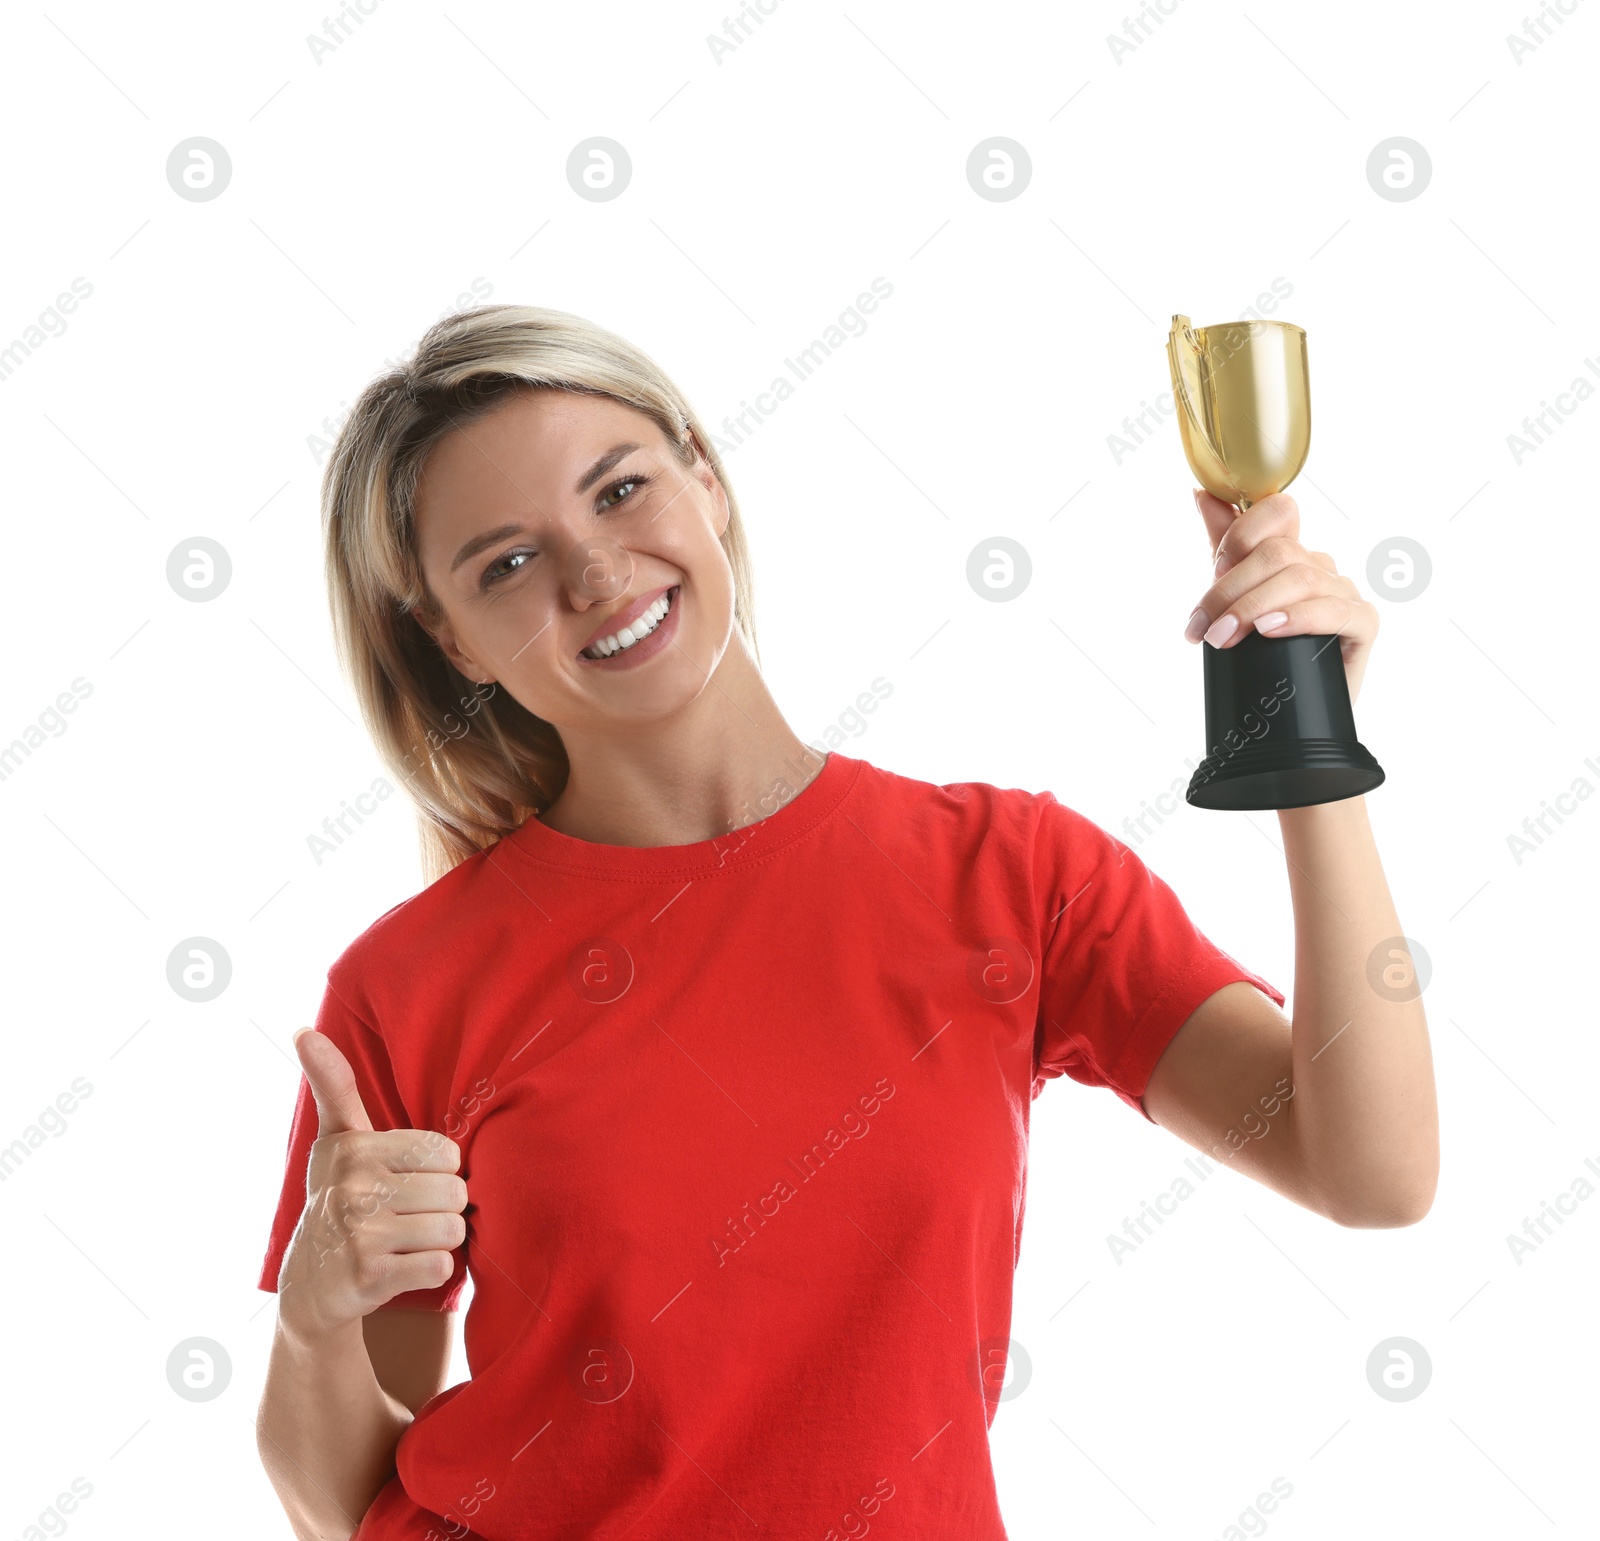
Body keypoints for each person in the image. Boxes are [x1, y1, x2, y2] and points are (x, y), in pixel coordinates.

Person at [254, 305, 1438, 1540]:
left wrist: (1314, 758)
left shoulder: (1010, 874)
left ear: (704, 479)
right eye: (506, 564)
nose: (596, 573)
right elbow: (337, 1501)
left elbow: (1370, 1169)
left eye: (618, 491)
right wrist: (310, 1315)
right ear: (452, 643)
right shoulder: (405, 986)